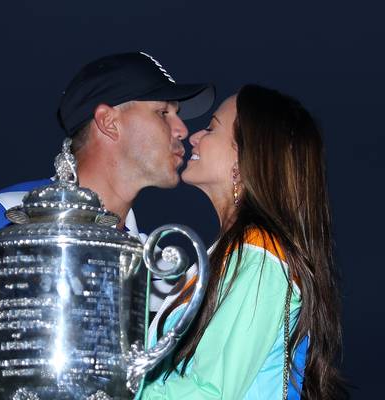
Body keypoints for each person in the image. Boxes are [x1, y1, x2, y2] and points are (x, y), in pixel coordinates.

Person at [0, 52, 215, 400]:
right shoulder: (0, 220)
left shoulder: (158, 264)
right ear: (109, 122)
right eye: (163, 112)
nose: (182, 129)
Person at [140, 85, 347, 399]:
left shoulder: (261, 255)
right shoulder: (235, 254)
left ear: (243, 159)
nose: (194, 136)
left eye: (211, 129)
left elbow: (211, 392)